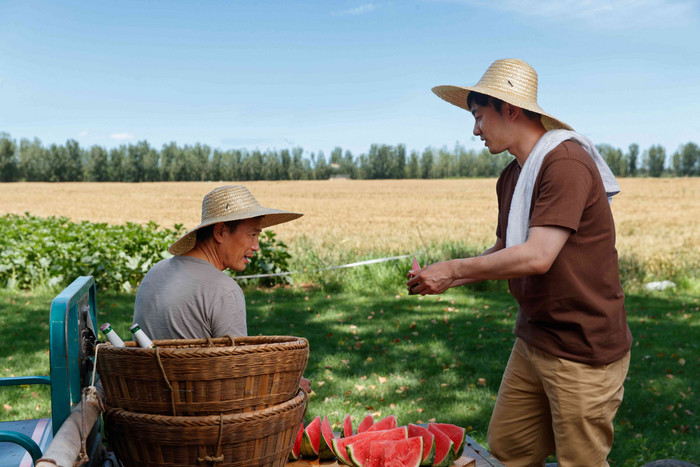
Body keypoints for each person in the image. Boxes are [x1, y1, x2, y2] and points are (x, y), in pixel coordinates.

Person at [407, 58, 632, 466]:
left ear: (509, 108)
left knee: (580, 462)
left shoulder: (565, 163)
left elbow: (538, 255)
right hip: (535, 339)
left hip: (582, 347)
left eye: (479, 117)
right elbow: (504, 250)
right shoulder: (511, 176)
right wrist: (441, 277)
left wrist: (455, 268)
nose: (474, 130)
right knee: (510, 451)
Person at [134, 185, 302, 340]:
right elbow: (236, 368)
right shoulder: (224, 291)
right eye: (252, 235)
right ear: (220, 232)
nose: (256, 246)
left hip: (144, 373)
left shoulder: (154, 272)